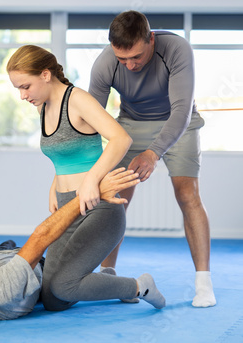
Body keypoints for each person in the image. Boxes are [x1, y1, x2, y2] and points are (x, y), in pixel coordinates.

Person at [0, 169, 165, 330]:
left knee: (56, 296)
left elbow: (41, 237)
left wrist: (92, 192)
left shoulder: (1, 290)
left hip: (22, 265)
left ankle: (138, 286)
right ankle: (104, 281)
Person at [88, 10, 215, 308]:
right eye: (123, 60)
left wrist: (153, 153)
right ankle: (108, 275)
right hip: (130, 126)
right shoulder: (106, 62)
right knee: (116, 199)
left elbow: (182, 110)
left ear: (151, 40)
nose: (130, 66)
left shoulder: (177, 48)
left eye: (136, 57)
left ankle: (204, 283)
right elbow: (90, 117)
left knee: (188, 194)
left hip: (179, 123)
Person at [6, 45, 136, 311]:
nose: (22, 95)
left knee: (63, 286)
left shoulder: (77, 99)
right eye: (18, 89)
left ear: (45, 74)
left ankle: (137, 286)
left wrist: (91, 181)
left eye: (25, 86)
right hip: (67, 206)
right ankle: (103, 280)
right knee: (53, 300)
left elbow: (121, 139)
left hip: (98, 205)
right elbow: (65, 153)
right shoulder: (41, 107)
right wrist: (55, 184)